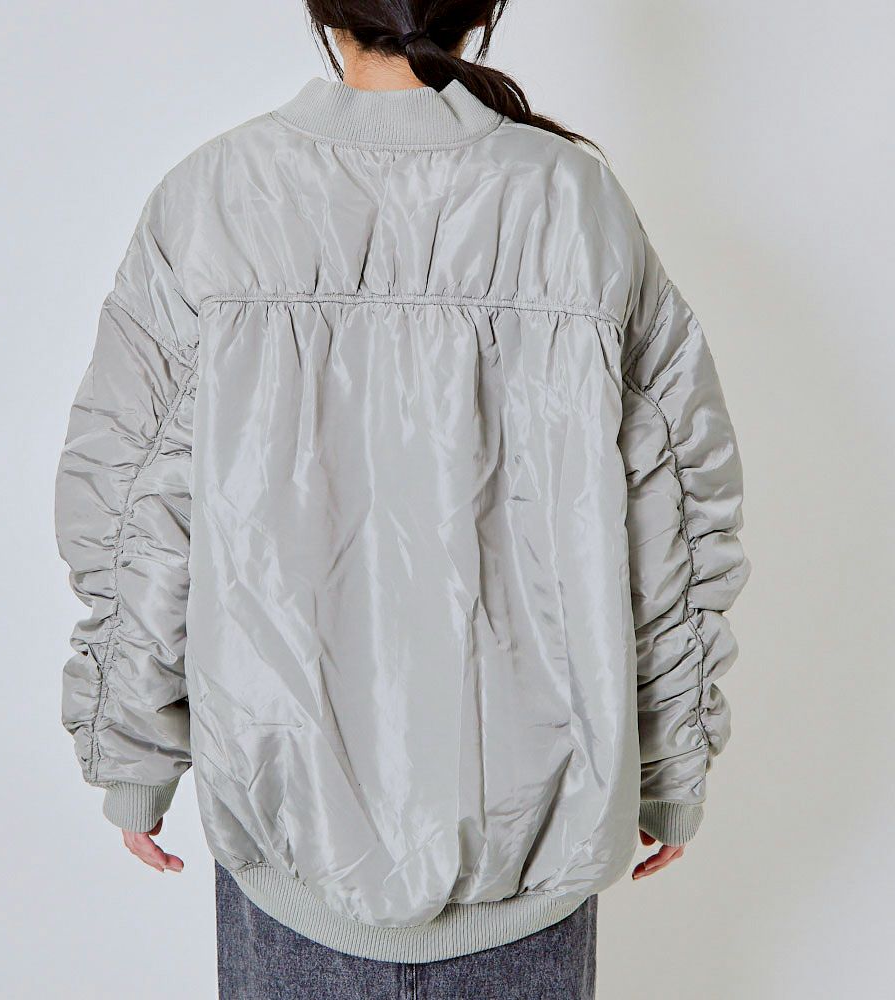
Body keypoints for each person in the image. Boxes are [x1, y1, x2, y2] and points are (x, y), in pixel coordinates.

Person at [53, 2, 751, 997]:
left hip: (290, 844)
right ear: (481, 9)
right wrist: (671, 762)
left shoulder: (213, 199)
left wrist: (131, 752)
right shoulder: (573, 202)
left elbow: (130, 508)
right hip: (532, 846)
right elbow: (675, 502)